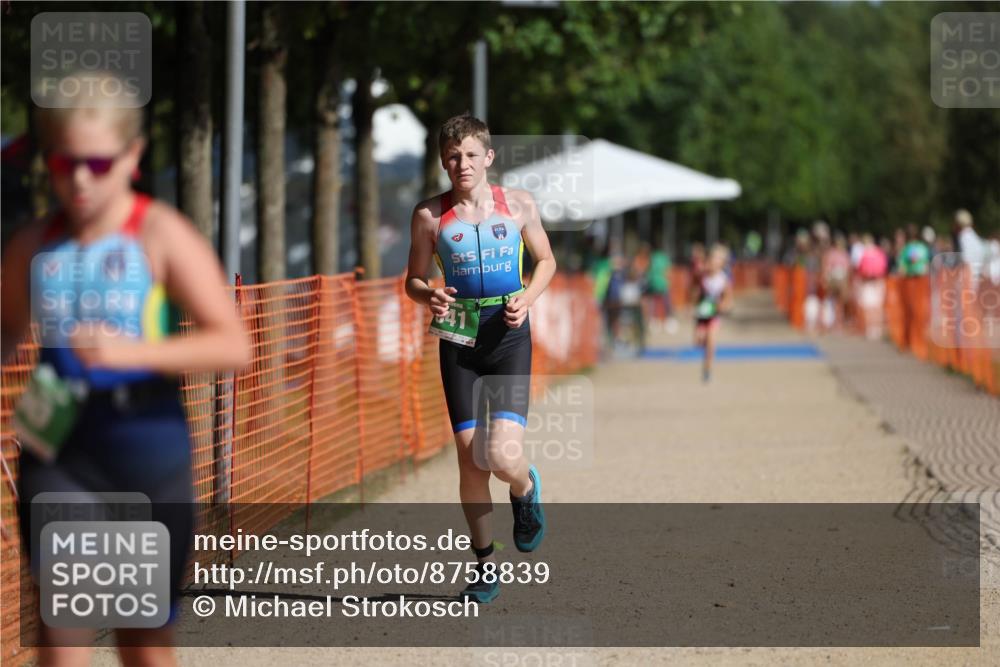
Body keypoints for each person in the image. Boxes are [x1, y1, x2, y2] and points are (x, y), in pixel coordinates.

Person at [1, 72, 250, 666]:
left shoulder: (158, 233)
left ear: (132, 156)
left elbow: (232, 345)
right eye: (64, 164)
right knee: (61, 640)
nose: (80, 179)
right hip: (56, 452)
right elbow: (6, 328)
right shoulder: (36, 243)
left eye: (97, 163)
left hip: (144, 453)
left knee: (142, 644)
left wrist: (131, 353)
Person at [404, 113, 553, 604]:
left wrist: (527, 299)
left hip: (508, 334)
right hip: (459, 340)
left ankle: (525, 489)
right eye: (452, 156)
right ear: (443, 162)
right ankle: (486, 566)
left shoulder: (519, 205)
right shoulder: (430, 216)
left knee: (502, 455)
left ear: (488, 157)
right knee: (471, 460)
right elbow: (413, 280)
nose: (461, 163)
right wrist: (430, 296)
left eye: (470, 154)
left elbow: (546, 261)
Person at [691, 244, 733, 383]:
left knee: (711, 343)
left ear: (721, 263)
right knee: (698, 341)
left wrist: (722, 306)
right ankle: (702, 341)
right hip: (701, 315)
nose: (714, 263)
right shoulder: (702, 277)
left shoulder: (723, 280)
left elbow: (728, 299)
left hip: (714, 315)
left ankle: (707, 371)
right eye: (712, 260)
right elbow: (694, 292)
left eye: (718, 260)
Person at [856, 233, 889, 340]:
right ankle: (877, 329)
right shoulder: (880, 252)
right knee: (877, 307)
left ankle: (871, 329)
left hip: (868, 283)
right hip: (878, 282)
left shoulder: (865, 254)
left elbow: (860, 269)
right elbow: (884, 268)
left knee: (869, 308)